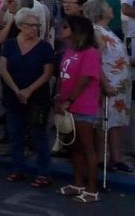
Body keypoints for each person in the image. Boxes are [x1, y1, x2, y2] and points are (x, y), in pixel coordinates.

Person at [0, 7, 55, 186]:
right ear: (20, 26)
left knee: (39, 134)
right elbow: (3, 69)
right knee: (16, 134)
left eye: (37, 25)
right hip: (12, 95)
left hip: (37, 98)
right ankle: (17, 168)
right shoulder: (9, 44)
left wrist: (28, 91)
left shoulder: (44, 47)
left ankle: (43, 172)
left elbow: (47, 73)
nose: (35, 29)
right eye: (31, 25)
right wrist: (16, 90)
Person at [56, 15, 102, 202]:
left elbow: (85, 79)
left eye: (66, 27)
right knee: (74, 147)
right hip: (68, 105)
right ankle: (77, 184)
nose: (62, 29)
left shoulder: (90, 52)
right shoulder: (69, 51)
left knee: (86, 146)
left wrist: (70, 100)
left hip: (83, 105)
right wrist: (59, 96)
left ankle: (91, 189)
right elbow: (62, 76)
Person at [83, 0, 132, 173]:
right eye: (108, 6)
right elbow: (95, 61)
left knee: (116, 122)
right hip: (108, 86)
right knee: (104, 123)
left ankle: (116, 157)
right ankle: (101, 158)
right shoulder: (96, 31)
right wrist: (104, 83)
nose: (112, 9)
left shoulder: (107, 30)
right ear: (100, 11)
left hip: (119, 86)